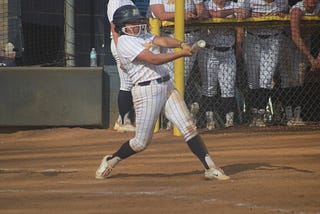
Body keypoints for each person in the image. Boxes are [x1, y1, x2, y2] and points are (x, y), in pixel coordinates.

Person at [96, 5, 230, 181]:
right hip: (146, 91)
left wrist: (181, 44)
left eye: (137, 22)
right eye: (131, 23)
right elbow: (153, 59)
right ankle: (111, 160)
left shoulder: (141, 35)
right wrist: (181, 54)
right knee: (141, 143)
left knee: (189, 127)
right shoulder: (124, 42)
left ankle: (210, 168)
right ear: (122, 26)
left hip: (166, 85)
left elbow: (162, 41)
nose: (136, 26)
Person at [149, 0, 207, 128]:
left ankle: (175, 118)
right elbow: (161, 15)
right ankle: (170, 117)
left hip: (189, 38)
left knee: (181, 79)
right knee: (167, 78)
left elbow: (202, 11)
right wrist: (181, 14)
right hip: (167, 38)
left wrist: (195, 15)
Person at [197, 0, 246, 130]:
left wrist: (239, 45)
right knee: (209, 87)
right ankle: (210, 121)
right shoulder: (206, 5)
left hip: (228, 51)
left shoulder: (233, 4)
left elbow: (240, 26)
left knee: (228, 87)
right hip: (209, 51)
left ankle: (229, 121)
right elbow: (214, 14)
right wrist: (233, 12)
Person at [242, 0, 289, 127]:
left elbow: (289, 12)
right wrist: (250, 15)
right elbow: (241, 15)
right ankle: (253, 114)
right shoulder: (249, 1)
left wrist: (283, 16)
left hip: (273, 38)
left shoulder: (281, 2)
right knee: (253, 79)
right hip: (253, 38)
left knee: (266, 79)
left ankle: (261, 114)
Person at [107, 0, 136, 132]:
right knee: (126, 83)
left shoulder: (128, 1)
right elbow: (114, 28)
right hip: (121, 43)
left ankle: (121, 119)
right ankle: (124, 122)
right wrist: (121, 51)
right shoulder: (115, 1)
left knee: (132, 83)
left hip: (130, 42)